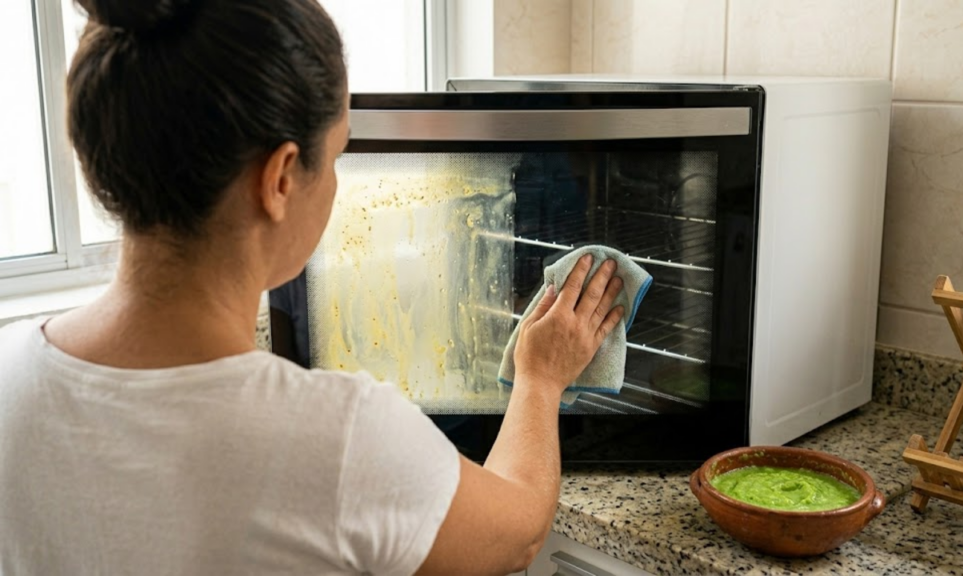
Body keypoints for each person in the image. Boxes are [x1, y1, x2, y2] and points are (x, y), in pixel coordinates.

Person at [0, 0, 626, 574]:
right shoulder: (337, 438)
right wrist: (542, 379)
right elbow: (517, 534)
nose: (333, 184)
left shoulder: (10, 373)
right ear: (277, 180)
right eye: (334, 158)